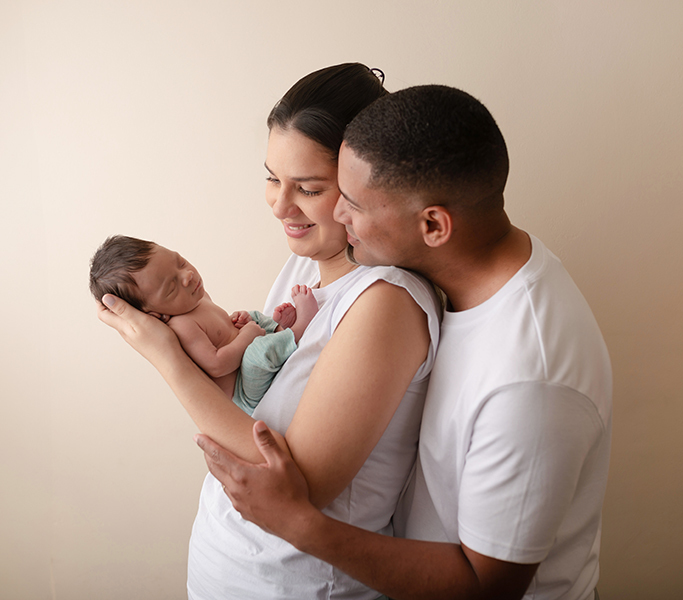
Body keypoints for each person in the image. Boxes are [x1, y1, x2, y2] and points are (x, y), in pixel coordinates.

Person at [197, 85, 613, 600]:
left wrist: (300, 525)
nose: (339, 219)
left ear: (433, 225)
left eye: (351, 203)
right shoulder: (480, 271)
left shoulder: (530, 379)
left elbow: (487, 587)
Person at [96, 64, 442, 599]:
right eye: (271, 178)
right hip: (228, 565)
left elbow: (297, 482)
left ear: (367, 185)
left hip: (303, 584)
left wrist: (167, 358)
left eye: (306, 187)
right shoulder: (306, 266)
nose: (280, 206)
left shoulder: (385, 304)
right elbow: (245, 406)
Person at [88, 234, 318, 415]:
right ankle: (298, 330)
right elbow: (217, 364)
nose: (187, 275)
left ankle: (277, 329)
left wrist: (238, 324)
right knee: (256, 352)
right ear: (155, 315)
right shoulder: (182, 326)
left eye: (180, 262)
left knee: (251, 316)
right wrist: (246, 337)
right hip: (245, 391)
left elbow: (222, 331)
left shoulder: (197, 298)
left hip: (246, 355)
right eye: (171, 287)